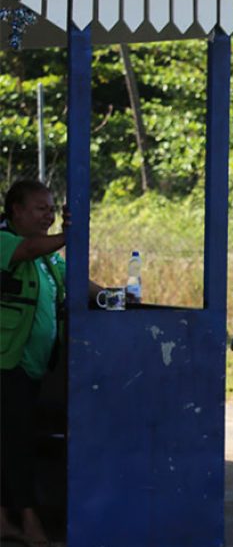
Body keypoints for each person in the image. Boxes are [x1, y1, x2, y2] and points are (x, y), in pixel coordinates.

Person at [0, 180, 68, 547]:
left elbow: (74, 283)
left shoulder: (48, 257)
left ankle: (8, 520)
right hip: (6, 363)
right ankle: (27, 521)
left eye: (52, 208)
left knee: (13, 442)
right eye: (41, 208)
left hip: (30, 368)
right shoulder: (7, 242)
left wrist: (109, 294)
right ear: (17, 211)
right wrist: (68, 235)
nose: (49, 215)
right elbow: (26, 249)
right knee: (15, 444)